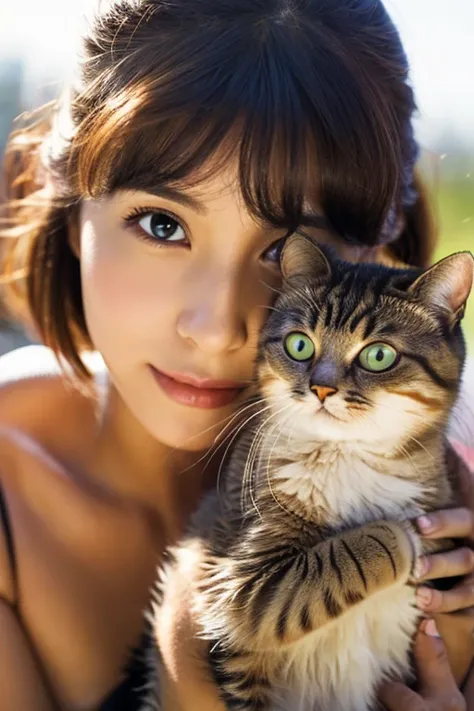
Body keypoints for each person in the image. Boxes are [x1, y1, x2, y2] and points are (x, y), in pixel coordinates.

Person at [0, 0, 473, 709]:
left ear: (383, 241)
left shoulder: (451, 483)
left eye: (285, 252)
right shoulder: (9, 497)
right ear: (71, 209)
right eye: (161, 224)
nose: (219, 325)